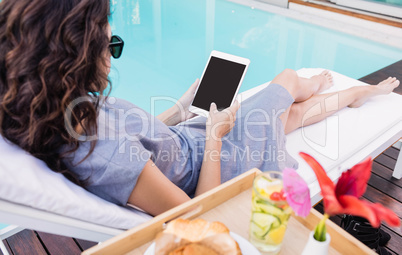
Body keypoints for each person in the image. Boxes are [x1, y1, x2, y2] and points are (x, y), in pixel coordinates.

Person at [0, 0, 399, 218]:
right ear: (76, 57)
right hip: (216, 167)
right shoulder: (105, 158)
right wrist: (214, 137)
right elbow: (204, 212)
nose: (111, 55)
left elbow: (136, 141)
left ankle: (351, 96)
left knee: (282, 116)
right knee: (289, 79)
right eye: (110, 45)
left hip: (193, 140)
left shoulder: (65, 112)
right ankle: (340, 92)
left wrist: (180, 107)